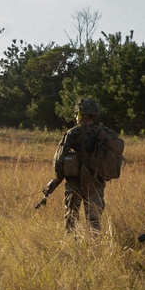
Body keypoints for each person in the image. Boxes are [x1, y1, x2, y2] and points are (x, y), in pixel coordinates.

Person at [50, 98, 117, 232]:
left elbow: (59, 159)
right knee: (94, 221)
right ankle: (96, 248)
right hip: (95, 183)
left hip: (74, 183)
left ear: (80, 114)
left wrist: (57, 179)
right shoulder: (102, 133)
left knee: (71, 219)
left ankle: (72, 247)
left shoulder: (73, 133)